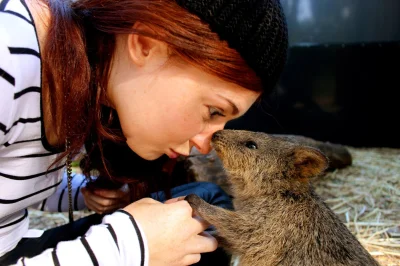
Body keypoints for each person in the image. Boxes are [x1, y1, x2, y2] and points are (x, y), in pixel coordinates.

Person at [0, 0, 288, 265]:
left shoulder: (84, 78)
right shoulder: (8, 56)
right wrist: (128, 247)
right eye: (213, 111)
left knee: (204, 206)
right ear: (146, 44)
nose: (205, 145)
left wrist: (80, 196)